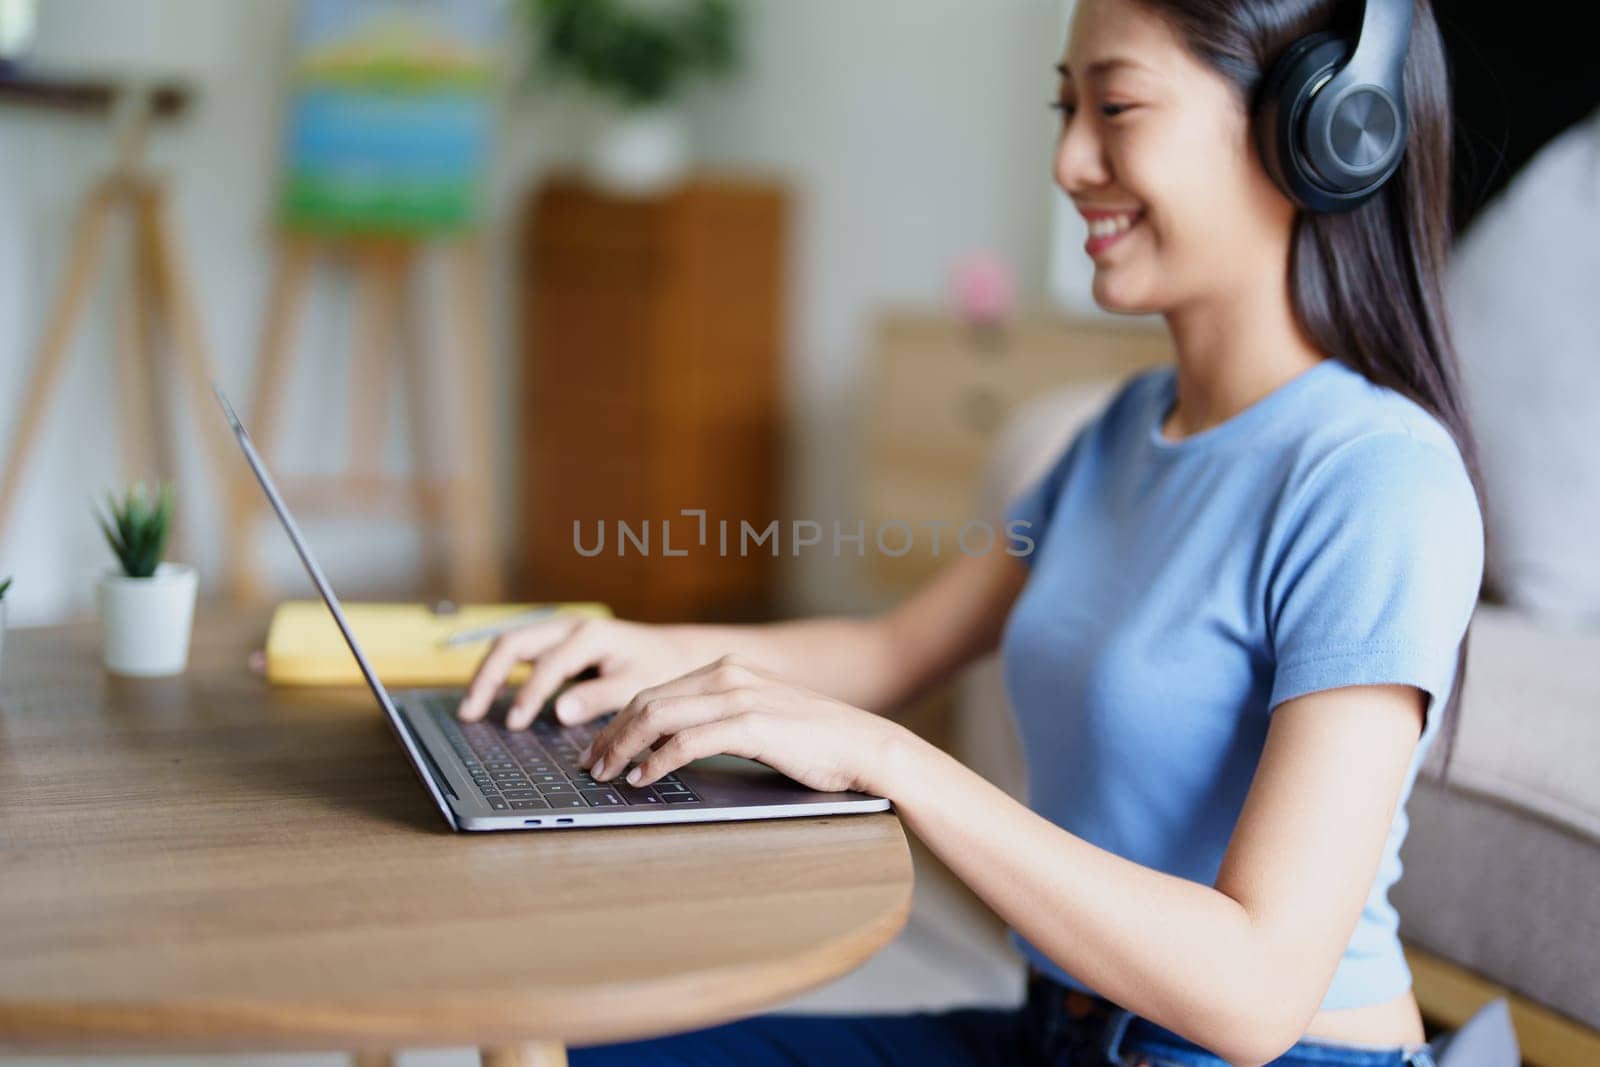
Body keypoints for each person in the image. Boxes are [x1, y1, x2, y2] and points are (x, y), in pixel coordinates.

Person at [455, 0, 1483, 1063]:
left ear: (1319, 126)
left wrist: (890, 759)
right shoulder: (1123, 429)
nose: (1070, 160)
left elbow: (1258, 992)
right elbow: (891, 650)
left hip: (1272, 1053)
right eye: (1062, 106)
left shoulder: (1377, 481)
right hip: (1057, 1028)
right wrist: (647, 650)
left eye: (1116, 105)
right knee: (539, 1037)